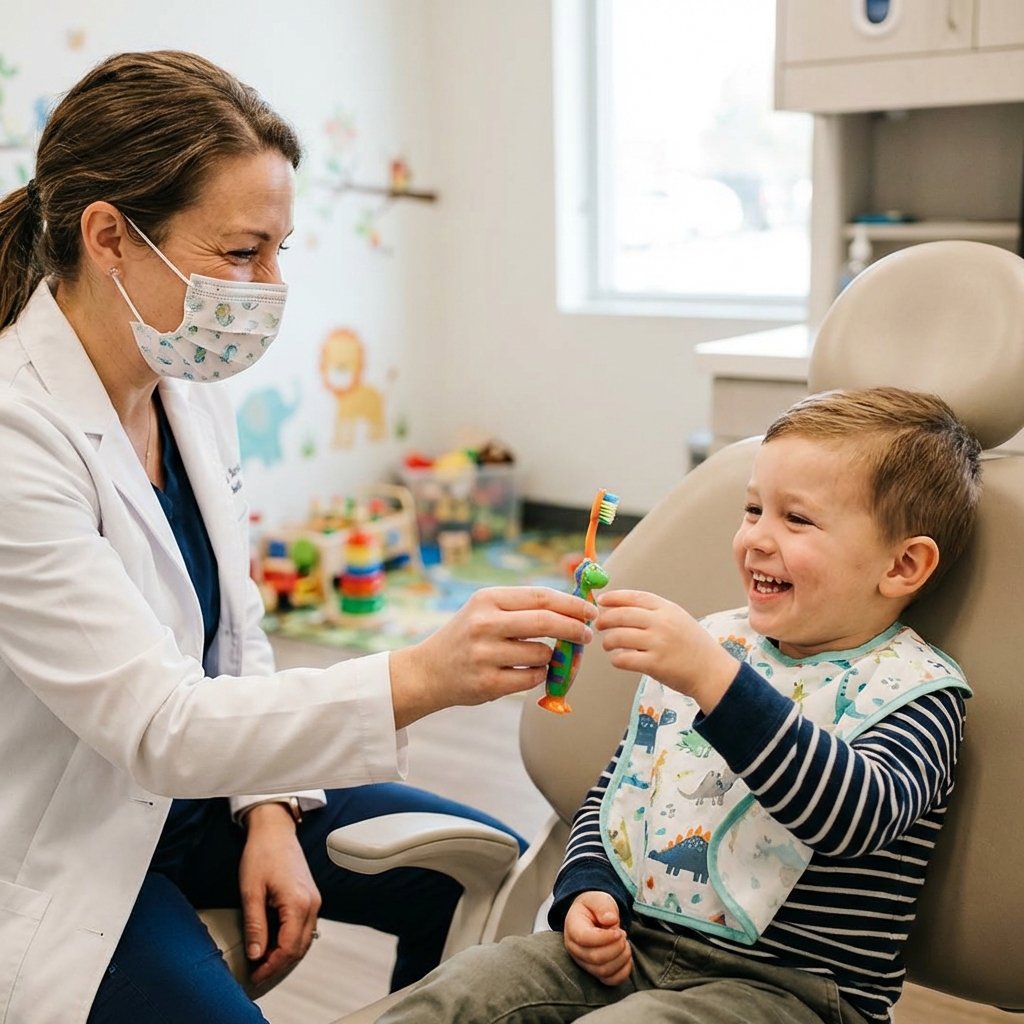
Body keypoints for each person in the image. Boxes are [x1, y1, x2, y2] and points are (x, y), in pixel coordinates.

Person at [0, 51, 597, 1024]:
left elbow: (237, 636)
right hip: (70, 838)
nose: (272, 284)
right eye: (243, 252)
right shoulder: (15, 435)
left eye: (279, 247)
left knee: (475, 875)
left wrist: (269, 808)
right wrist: (425, 675)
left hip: (200, 793)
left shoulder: (188, 395)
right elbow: (158, 725)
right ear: (109, 235)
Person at [376, 386, 982, 1024]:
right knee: (464, 990)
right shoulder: (714, 647)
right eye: (753, 510)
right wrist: (588, 891)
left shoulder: (918, 691)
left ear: (903, 565)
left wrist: (715, 679)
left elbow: (851, 817)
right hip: (635, 953)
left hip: (792, 995)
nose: (757, 538)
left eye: (796, 519)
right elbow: (625, 791)